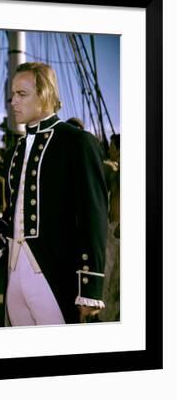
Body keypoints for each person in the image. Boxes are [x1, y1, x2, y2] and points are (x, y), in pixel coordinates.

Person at [0, 62, 108, 325]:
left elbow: (93, 218)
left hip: (55, 275)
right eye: (12, 94)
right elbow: (15, 215)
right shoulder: (15, 150)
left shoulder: (77, 142)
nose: (13, 102)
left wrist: (89, 289)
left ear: (46, 94)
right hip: (14, 274)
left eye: (21, 94)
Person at [99, 133, 120, 321]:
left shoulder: (114, 170)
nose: (109, 149)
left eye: (112, 146)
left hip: (116, 233)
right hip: (115, 231)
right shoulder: (114, 170)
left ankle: (106, 319)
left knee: (110, 280)